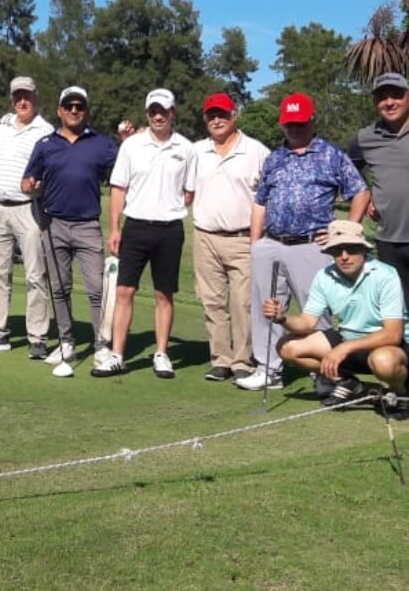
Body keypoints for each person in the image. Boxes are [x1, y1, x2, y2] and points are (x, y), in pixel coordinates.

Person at [237, 92, 369, 392]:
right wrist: (256, 243)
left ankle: (323, 368)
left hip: (312, 243)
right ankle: (269, 368)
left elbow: (360, 192)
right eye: (288, 124)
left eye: (299, 123)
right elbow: (261, 202)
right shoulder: (274, 157)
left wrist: (346, 229)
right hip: (271, 242)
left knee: (315, 309)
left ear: (312, 120)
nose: (293, 129)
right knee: (266, 306)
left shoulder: (331, 155)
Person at [263, 219, 408, 418]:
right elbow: (307, 322)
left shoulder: (385, 275)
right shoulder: (324, 276)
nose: (344, 257)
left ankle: (400, 394)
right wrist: (282, 318)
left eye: (351, 249)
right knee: (287, 347)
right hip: (348, 338)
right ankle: (350, 383)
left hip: (389, 345)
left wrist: (344, 348)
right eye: (337, 251)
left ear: (363, 250)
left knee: (383, 361)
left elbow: (393, 333)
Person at [21, 86, 118, 371]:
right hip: (54, 224)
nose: (74, 110)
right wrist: (29, 186)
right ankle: (66, 342)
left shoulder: (101, 144)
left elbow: (124, 169)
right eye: (69, 106)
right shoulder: (45, 143)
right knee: (60, 288)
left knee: (96, 288)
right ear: (60, 110)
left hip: (88, 224)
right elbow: (27, 180)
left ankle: (102, 345)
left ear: (85, 110)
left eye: (79, 106)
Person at [107, 88, 196, 378]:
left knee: (164, 294)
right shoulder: (131, 146)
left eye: (163, 111)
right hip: (135, 226)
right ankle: (117, 354)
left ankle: (161, 353)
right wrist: (115, 228)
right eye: (153, 111)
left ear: (173, 113)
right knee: (124, 291)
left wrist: (167, 209)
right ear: (147, 113)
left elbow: (189, 192)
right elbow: (118, 188)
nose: (158, 116)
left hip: (169, 230)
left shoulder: (186, 148)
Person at [0, 76, 54, 357]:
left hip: (28, 209)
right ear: (12, 99)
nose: (22, 101)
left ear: (35, 98)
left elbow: (49, 175)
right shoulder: (2, 128)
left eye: (27, 96)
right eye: (17, 96)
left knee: (35, 275)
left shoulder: (46, 131)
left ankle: (38, 337)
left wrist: (38, 187)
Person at [191, 93, 270, 381]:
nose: (216, 120)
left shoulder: (256, 151)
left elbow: (268, 196)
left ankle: (242, 361)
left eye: (222, 114)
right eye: (211, 115)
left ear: (234, 116)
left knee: (242, 302)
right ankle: (221, 359)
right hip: (205, 236)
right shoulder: (197, 151)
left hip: (243, 237)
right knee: (211, 301)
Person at [350, 72, 409, 308]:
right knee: (397, 309)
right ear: (376, 103)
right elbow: (349, 172)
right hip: (388, 240)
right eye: (382, 97)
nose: (389, 102)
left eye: (396, 95)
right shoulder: (365, 138)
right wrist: (368, 196)